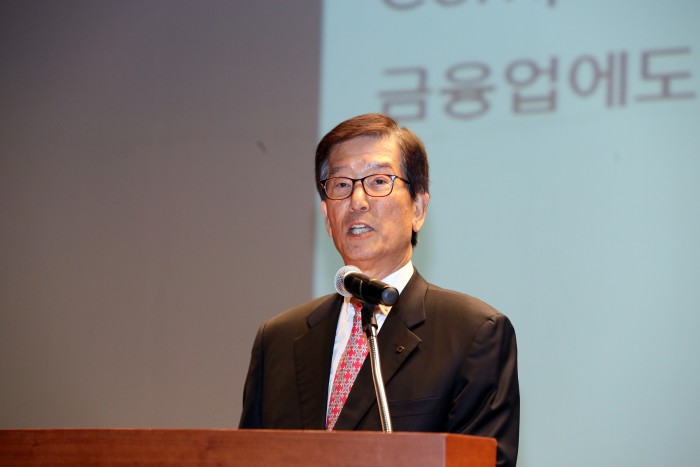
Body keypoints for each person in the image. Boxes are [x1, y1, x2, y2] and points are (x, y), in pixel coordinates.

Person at [239, 113, 519, 467]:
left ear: (418, 209)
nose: (357, 200)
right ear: (327, 217)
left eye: (378, 181)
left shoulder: (473, 333)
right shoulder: (278, 339)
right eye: (341, 185)